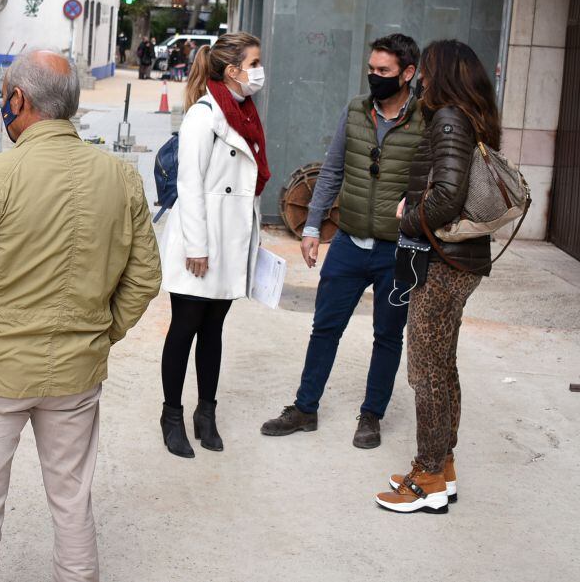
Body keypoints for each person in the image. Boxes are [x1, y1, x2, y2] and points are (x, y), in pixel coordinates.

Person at [0, 49, 161, 581]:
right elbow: (145, 277)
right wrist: (99, 335)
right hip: (76, 373)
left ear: (18, 100)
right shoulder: (120, 177)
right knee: (72, 502)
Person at [261, 34, 423, 449]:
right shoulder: (356, 110)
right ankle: (305, 407)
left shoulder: (426, 119)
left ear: (407, 74)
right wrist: (313, 226)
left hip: (398, 249)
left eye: (384, 71)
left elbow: (437, 179)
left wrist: (417, 205)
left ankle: (371, 415)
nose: (375, 77)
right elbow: (332, 169)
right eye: (371, 69)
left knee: (387, 335)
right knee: (325, 326)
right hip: (349, 242)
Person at [376, 40, 501, 513]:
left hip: (443, 262)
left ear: (441, 73)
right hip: (459, 260)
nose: (420, 79)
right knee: (441, 367)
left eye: (426, 70)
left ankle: (427, 477)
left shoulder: (448, 117)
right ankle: (442, 466)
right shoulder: (470, 116)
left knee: (425, 371)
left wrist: (407, 218)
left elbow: (447, 196)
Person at [159, 33, 270, 458]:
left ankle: (207, 413)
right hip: (199, 244)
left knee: (213, 331)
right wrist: (198, 247)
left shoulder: (243, 114)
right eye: (254, 63)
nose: (259, 71)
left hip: (230, 240)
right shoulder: (204, 116)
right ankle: (171, 415)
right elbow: (189, 187)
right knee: (183, 330)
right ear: (232, 70)